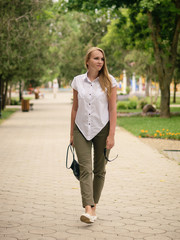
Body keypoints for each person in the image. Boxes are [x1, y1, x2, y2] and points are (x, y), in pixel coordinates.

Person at [70, 47, 117, 224]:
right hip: (81, 128)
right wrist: (71, 135)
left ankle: (94, 206)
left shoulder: (109, 81)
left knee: (99, 170)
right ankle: (88, 209)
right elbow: (75, 108)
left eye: (102, 59)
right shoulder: (77, 81)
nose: (100, 62)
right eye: (96, 58)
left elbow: (112, 109)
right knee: (85, 169)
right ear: (87, 61)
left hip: (102, 128)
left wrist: (111, 135)